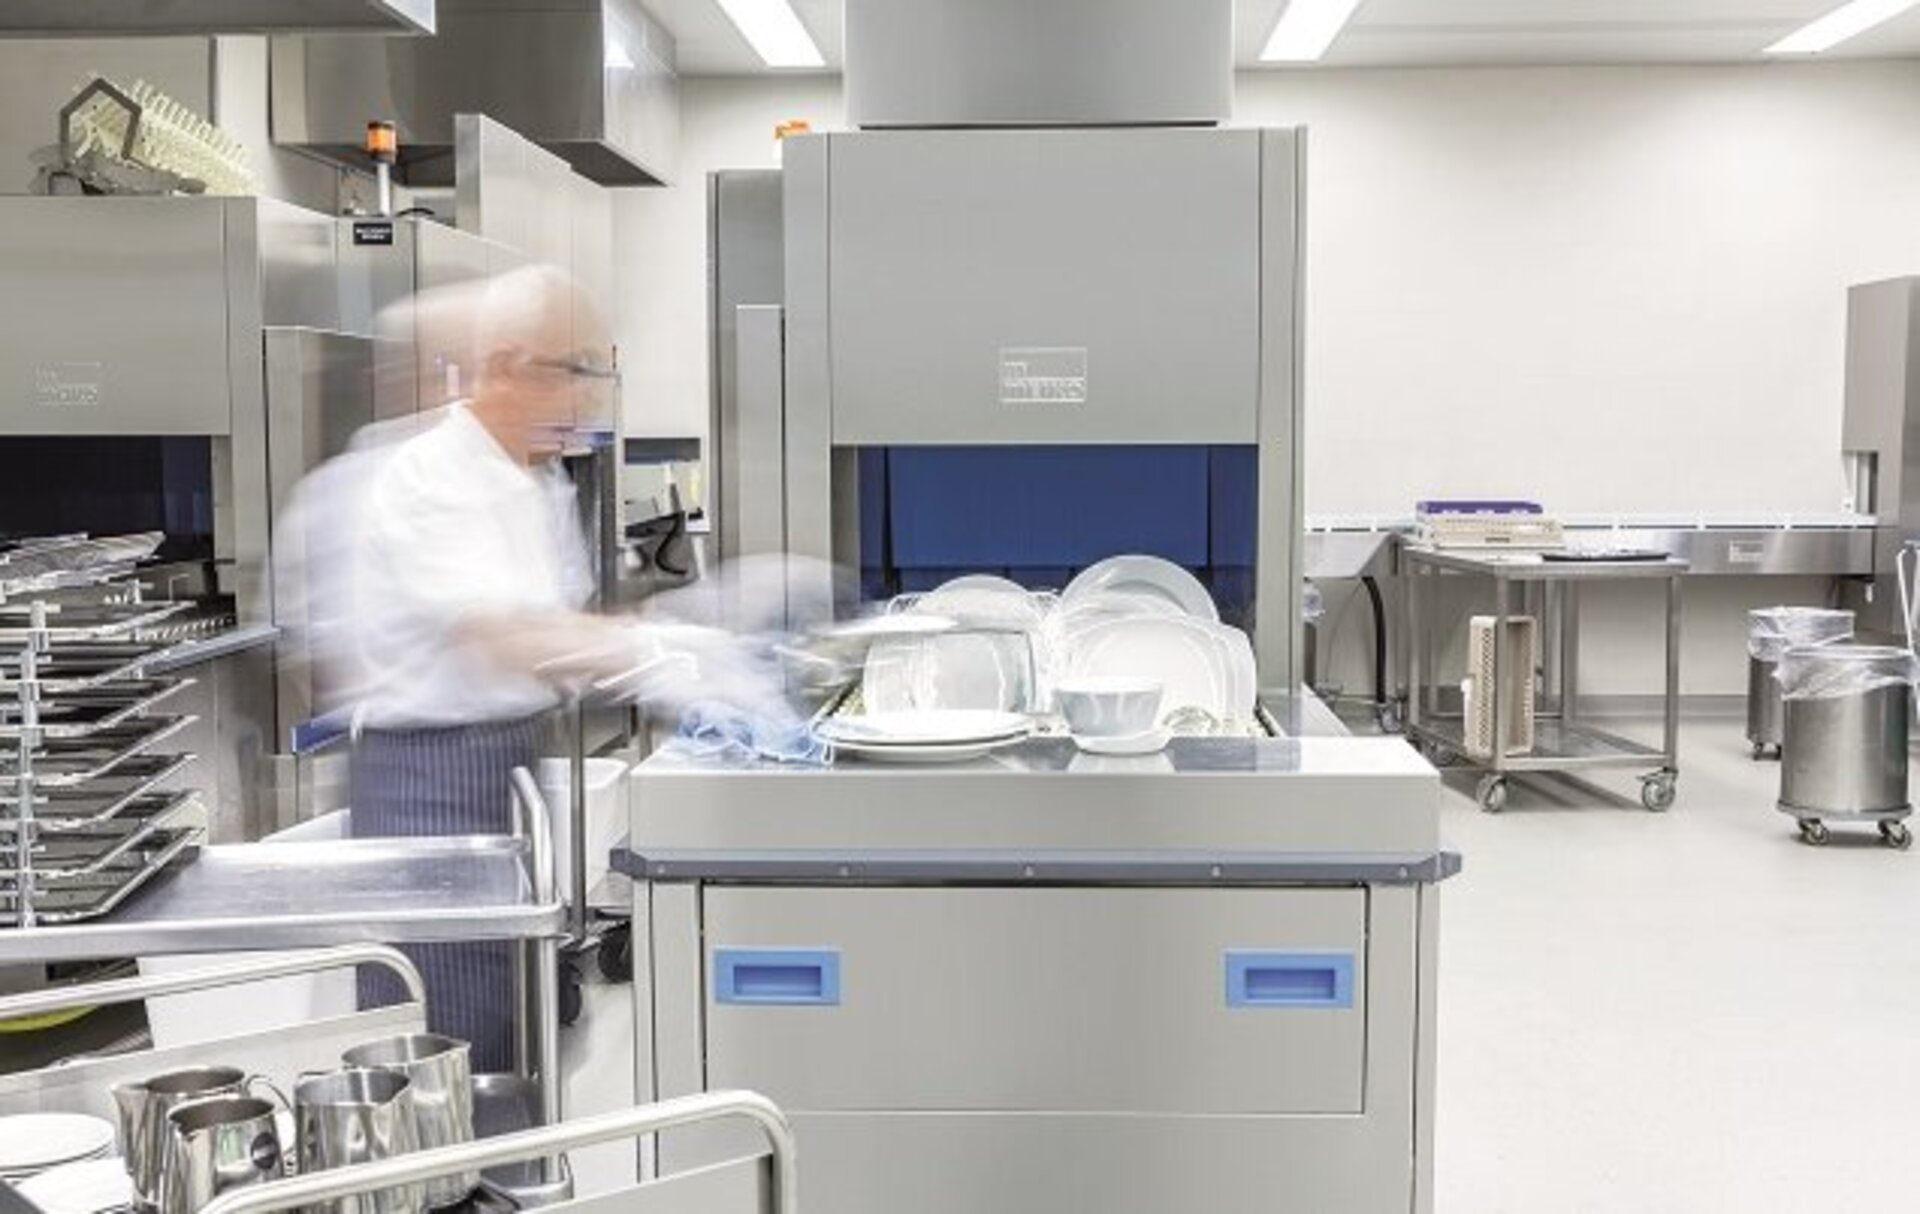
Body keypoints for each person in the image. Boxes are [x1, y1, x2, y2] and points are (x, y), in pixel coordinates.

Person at [278, 265, 752, 1072]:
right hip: (428, 784)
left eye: (602, 369)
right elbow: (503, 634)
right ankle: (432, 1193)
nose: (593, 395)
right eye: (577, 370)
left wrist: (675, 641)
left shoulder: (528, 476)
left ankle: (497, 1179)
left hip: (500, 767)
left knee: (507, 1019)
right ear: (503, 365)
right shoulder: (432, 478)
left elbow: (555, 627)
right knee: (443, 1042)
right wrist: (669, 657)